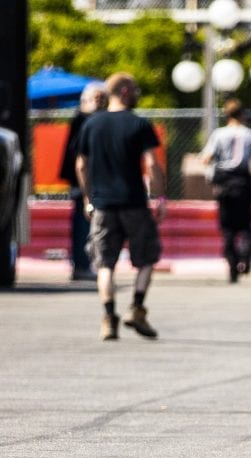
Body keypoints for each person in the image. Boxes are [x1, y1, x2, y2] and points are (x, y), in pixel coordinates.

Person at [76, 72, 167, 341]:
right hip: (134, 203)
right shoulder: (139, 124)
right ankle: (136, 309)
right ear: (126, 91)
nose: (138, 93)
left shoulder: (91, 125)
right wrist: (160, 198)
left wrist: (88, 199)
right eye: (136, 88)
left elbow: (81, 165)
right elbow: (151, 164)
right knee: (147, 258)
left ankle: (108, 318)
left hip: (103, 205)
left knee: (105, 264)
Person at [201, 98, 251, 283]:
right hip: (243, 181)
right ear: (242, 114)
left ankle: (232, 262)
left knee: (227, 226)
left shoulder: (219, 134)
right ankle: (246, 252)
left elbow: (207, 158)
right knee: (245, 223)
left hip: (225, 182)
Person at [59, 81, 108, 281]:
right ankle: (81, 264)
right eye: (96, 98)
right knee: (82, 223)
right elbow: (78, 158)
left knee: (93, 225)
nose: (100, 102)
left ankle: (88, 262)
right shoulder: (82, 120)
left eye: (102, 98)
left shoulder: (94, 120)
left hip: (95, 180)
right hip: (83, 182)